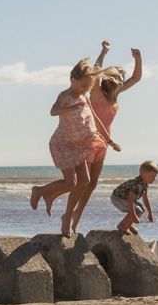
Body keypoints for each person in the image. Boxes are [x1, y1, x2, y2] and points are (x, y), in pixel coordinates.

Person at [30, 57, 119, 237]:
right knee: (71, 182)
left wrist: (109, 141)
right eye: (83, 86)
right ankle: (39, 191)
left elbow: (96, 119)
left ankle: (57, 205)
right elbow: (53, 111)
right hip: (63, 144)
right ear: (73, 81)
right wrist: (70, 108)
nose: (86, 90)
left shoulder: (84, 97)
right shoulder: (65, 96)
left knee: (85, 181)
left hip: (79, 145)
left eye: (88, 87)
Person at [65, 43, 143, 233]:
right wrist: (104, 52)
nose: (118, 82)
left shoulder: (114, 95)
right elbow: (95, 71)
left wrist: (138, 59)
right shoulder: (96, 92)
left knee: (92, 183)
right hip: (89, 139)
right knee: (84, 181)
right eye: (115, 80)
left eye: (118, 80)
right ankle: (69, 215)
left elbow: (137, 77)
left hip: (103, 143)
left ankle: (77, 214)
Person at [112, 161, 158, 235]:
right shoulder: (136, 184)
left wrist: (150, 212)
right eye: (152, 177)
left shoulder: (144, 184)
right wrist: (133, 216)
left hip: (125, 199)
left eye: (155, 177)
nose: (154, 179)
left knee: (141, 209)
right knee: (136, 210)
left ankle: (128, 225)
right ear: (143, 175)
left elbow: (145, 199)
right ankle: (122, 225)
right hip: (117, 198)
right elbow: (130, 200)